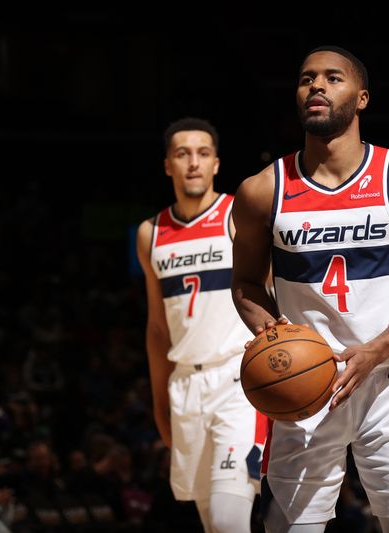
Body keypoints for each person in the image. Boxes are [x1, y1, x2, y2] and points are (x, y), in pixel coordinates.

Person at [231, 45, 389, 532]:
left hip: (387, 385)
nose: (316, 86)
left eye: (333, 78)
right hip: (303, 389)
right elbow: (245, 282)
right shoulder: (262, 190)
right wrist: (275, 339)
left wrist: (375, 350)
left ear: (363, 97)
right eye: (307, 78)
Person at [136, 117, 265, 533]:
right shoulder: (150, 234)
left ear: (216, 164)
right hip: (185, 389)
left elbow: (271, 292)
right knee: (212, 522)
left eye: (203, 153)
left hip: (237, 382)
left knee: (230, 518)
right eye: (182, 154)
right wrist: (159, 404)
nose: (193, 162)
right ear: (168, 165)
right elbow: (158, 330)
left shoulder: (235, 215)